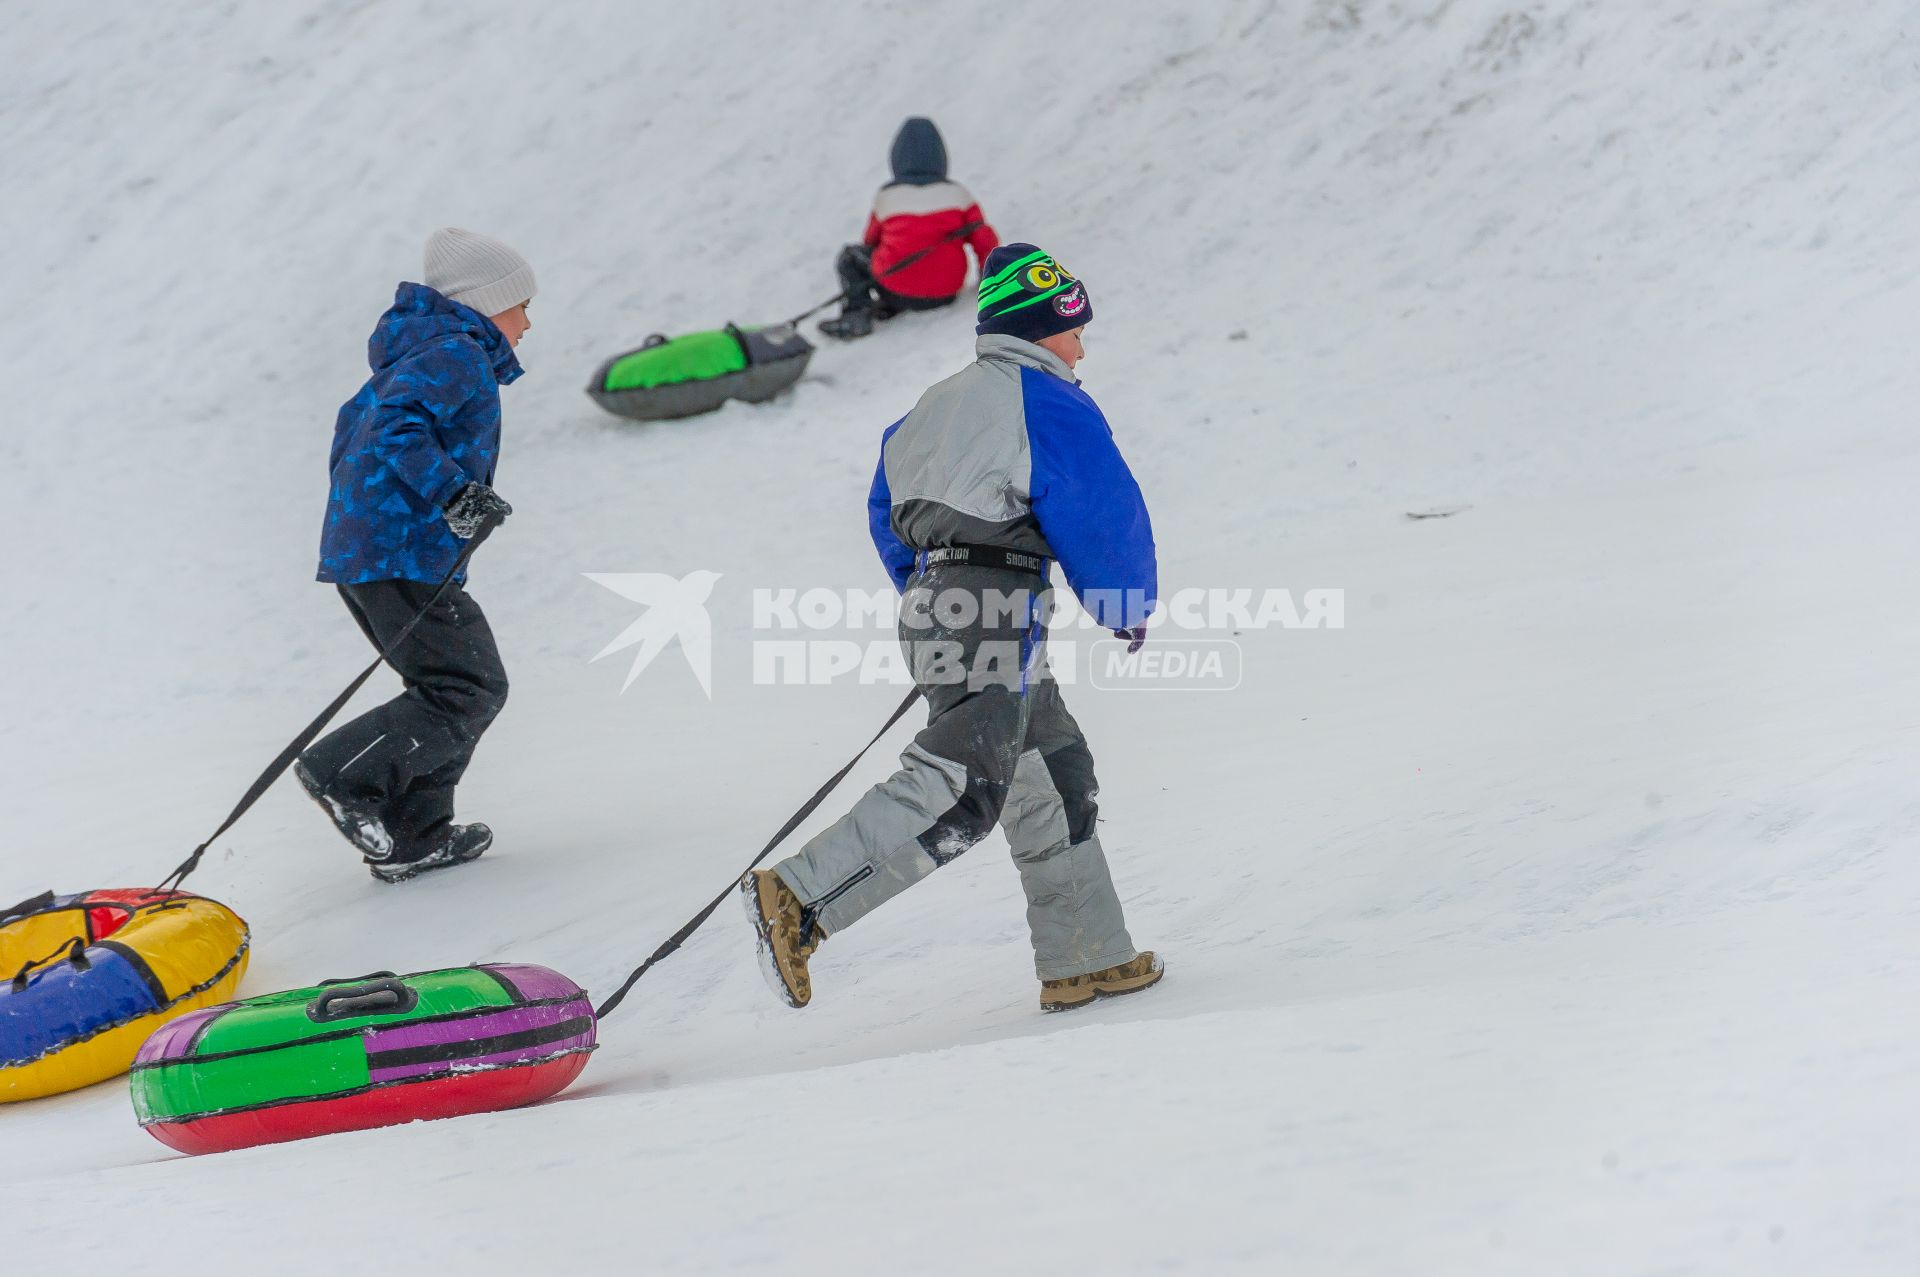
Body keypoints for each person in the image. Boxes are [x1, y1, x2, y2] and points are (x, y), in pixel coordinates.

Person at [745, 243, 1164, 1012]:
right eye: (1075, 331)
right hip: (992, 610)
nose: (1081, 347)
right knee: (965, 787)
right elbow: (1102, 511)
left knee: (1052, 773)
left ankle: (1086, 955)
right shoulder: (1049, 400)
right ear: (1044, 331)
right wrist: (1125, 604)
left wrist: (934, 596)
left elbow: (885, 513)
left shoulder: (925, 410)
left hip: (945, 601)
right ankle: (799, 896)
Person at [294, 227, 532, 884]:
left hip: (378, 552)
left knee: (451, 687)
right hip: (398, 554)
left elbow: (354, 431)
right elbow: (395, 428)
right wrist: (454, 492)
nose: (528, 320)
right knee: (471, 686)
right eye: (519, 304)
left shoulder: (422, 354)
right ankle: (344, 772)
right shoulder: (457, 354)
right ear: (485, 304)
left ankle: (413, 837)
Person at [819, 117, 1000, 340]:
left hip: (896, 290)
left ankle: (857, 315)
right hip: (947, 290)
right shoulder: (959, 196)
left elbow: (869, 241)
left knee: (850, 257)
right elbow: (984, 238)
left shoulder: (886, 197)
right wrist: (988, 274)